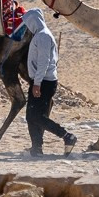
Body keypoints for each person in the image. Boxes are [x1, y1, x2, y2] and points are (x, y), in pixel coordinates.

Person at [15, 9, 76, 155]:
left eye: (28, 23)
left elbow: (44, 61)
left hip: (43, 82)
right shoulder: (41, 35)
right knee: (32, 116)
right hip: (41, 80)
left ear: (33, 21)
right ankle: (36, 147)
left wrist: (37, 83)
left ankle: (67, 136)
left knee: (36, 116)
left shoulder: (43, 36)